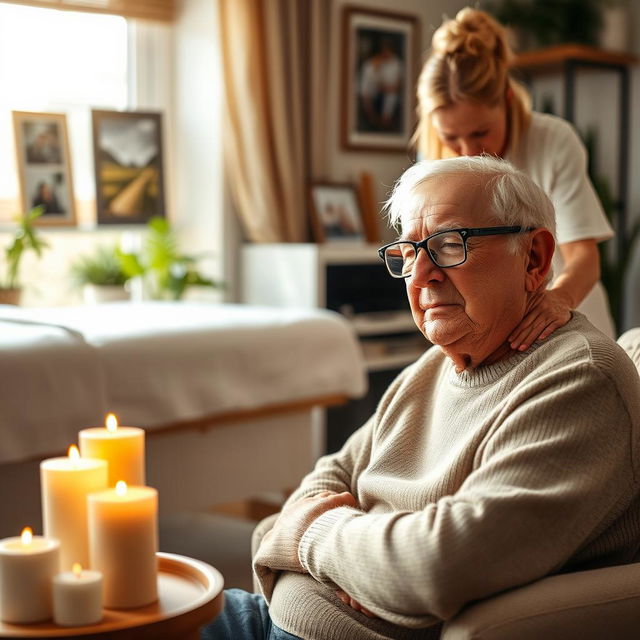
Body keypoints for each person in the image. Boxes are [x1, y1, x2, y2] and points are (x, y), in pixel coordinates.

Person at [201, 156, 640, 640]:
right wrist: (356, 558)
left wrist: (309, 538)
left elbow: (436, 565)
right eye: (409, 252)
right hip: (271, 616)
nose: (421, 274)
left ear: (534, 259)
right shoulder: (436, 363)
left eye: (450, 245)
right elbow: (330, 474)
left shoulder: (579, 381)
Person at [415, 7, 615, 347]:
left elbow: (584, 257)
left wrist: (557, 301)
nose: (467, 151)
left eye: (480, 132)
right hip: (488, 337)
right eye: (452, 138)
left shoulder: (552, 140)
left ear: (507, 100)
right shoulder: (432, 162)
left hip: (566, 319)